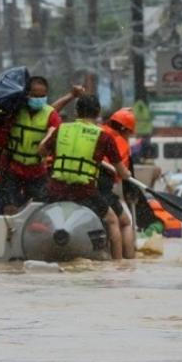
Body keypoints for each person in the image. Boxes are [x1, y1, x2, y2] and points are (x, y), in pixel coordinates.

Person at [39, 95, 131, 260]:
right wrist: (127, 174)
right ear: (98, 113)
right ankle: (119, 265)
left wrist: (50, 132)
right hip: (84, 192)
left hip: (55, 190)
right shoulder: (104, 137)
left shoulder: (61, 129)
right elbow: (122, 172)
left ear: (76, 112)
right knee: (112, 221)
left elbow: (42, 151)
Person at [0, 77, 83, 214]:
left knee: (40, 210)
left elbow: (52, 118)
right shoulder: (16, 110)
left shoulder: (51, 115)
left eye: (42, 96)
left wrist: (46, 144)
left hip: (37, 170)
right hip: (13, 168)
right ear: (26, 94)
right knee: (10, 208)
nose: (38, 99)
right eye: (34, 95)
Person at [99, 107, 138, 259]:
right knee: (125, 223)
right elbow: (124, 175)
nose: (129, 136)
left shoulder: (98, 130)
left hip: (80, 184)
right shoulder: (122, 143)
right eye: (129, 132)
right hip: (102, 188)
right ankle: (126, 260)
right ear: (124, 129)